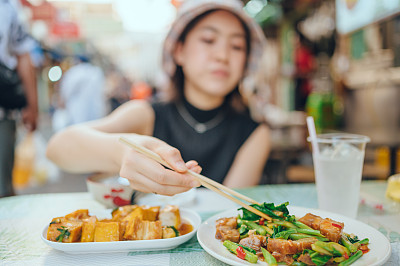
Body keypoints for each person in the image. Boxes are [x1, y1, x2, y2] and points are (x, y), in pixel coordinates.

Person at [46, 0, 270, 196]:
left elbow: (230, 214)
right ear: (179, 50)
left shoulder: (255, 134)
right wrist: (120, 153)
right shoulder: (146, 114)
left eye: (237, 46)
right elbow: (57, 148)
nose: (222, 55)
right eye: (209, 40)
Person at [0, 0, 38, 197]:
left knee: (2, 189)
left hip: (2, 113)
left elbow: (24, 56)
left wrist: (32, 106)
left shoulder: (8, 7)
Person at [52, 55, 106, 132]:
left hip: (78, 110)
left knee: (79, 131)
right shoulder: (96, 72)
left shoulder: (74, 72)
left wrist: (62, 101)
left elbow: (66, 90)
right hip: (95, 109)